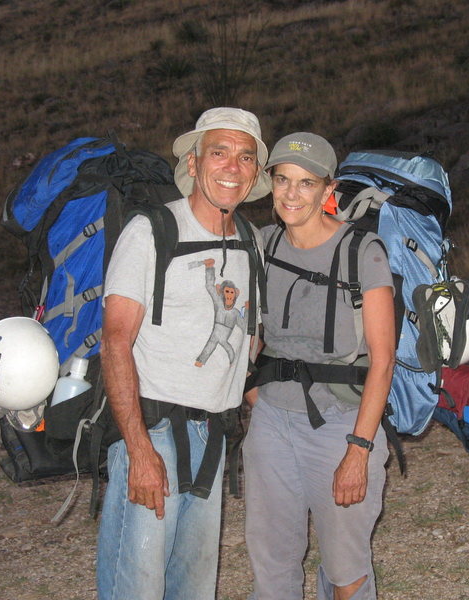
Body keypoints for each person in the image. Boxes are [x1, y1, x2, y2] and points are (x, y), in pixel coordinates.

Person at [96, 107, 270, 600]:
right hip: (152, 432)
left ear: (255, 172)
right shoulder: (151, 231)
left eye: (245, 157)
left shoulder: (252, 243)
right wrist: (138, 452)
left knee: (194, 584)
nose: (231, 167)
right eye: (219, 152)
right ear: (194, 164)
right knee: (137, 585)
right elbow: (115, 341)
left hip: (213, 434)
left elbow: (248, 349)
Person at [243, 132, 396, 600]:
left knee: (346, 569)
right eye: (283, 180)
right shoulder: (262, 245)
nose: (292, 193)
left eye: (306, 183)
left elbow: (383, 360)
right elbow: (251, 331)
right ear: (270, 183)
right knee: (272, 566)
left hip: (341, 425)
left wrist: (359, 449)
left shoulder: (361, 252)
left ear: (328, 191)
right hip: (272, 421)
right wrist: (255, 393)